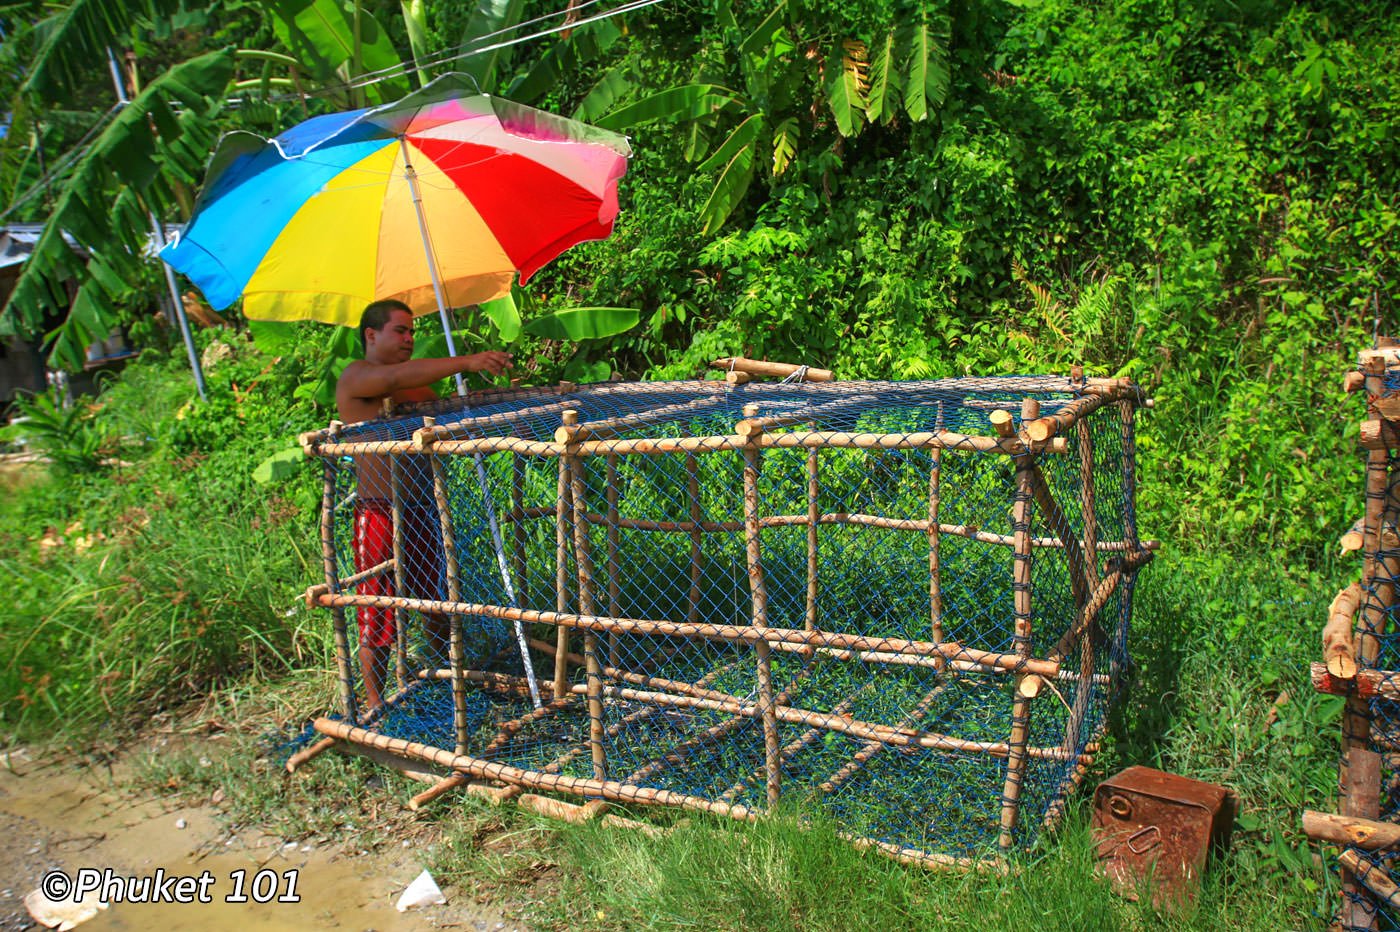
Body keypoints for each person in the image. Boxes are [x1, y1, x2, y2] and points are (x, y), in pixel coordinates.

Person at [336, 299, 512, 714]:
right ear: (371, 335)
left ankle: (448, 678)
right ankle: (377, 705)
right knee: (376, 607)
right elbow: (396, 376)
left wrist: (499, 410)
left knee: (436, 601)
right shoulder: (357, 376)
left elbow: (447, 416)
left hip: (420, 509)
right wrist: (466, 361)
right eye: (400, 331)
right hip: (379, 510)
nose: (409, 339)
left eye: (412, 332)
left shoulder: (414, 388)